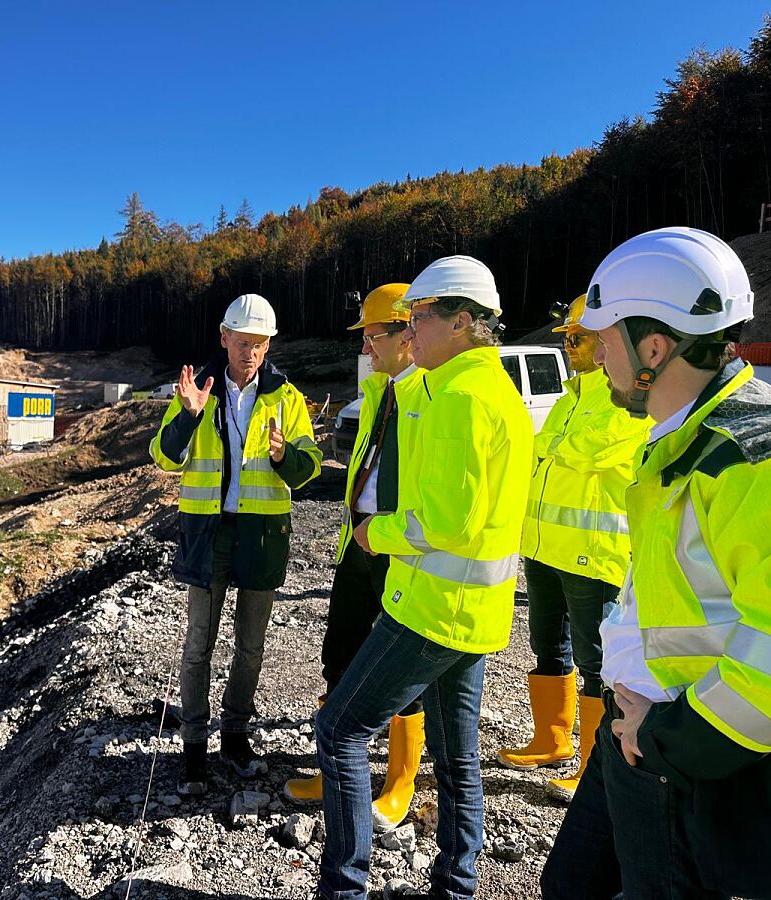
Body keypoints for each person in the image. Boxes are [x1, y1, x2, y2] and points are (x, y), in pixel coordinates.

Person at [542, 226, 771, 900]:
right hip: (639, 733)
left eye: (603, 337)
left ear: (654, 346)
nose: (592, 355)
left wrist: (669, 740)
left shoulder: (751, 458)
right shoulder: (684, 437)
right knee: (567, 886)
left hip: (680, 754)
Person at [315, 256, 532, 900]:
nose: (411, 332)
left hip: (431, 609)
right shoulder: (489, 390)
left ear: (462, 322)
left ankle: (345, 886)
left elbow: (446, 522)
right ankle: (458, 883)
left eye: (420, 319)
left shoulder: (461, 397)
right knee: (458, 756)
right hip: (474, 610)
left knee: (340, 730)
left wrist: (372, 532)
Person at [149, 293, 322, 796]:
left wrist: (284, 455)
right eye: (242, 342)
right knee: (199, 644)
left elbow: (308, 467)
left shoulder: (286, 397)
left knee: (251, 646)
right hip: (208, 534)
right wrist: (187, 416)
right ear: (224, 337)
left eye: (260, 345)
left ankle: (237, 737)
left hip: (262, 536)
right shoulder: (197, 390)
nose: (250, 353)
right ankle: (194, 747)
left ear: (268, 346)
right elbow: (163, 456)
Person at [283, 283, 426, 833]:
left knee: (396, 670)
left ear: (407, 335)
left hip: (399, 550)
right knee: (339, 654)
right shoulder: (382, 392)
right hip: (360, 544)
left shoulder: (428, 396)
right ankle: (336, 769)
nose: (366, 345)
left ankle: (400, 783)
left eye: (374, 334)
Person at [497, 294, 651, 802]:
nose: (569, 344)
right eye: (566, 336)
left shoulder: (626, 403)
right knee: (546, 643)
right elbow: (549, 456)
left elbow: (583, 453)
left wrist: (557, 450)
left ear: (608, 340)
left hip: (591, 553)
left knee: (595, 660)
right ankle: (552, 738)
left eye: (579, 337)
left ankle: (594, 765)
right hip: (543, 547)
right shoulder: (568, 399)